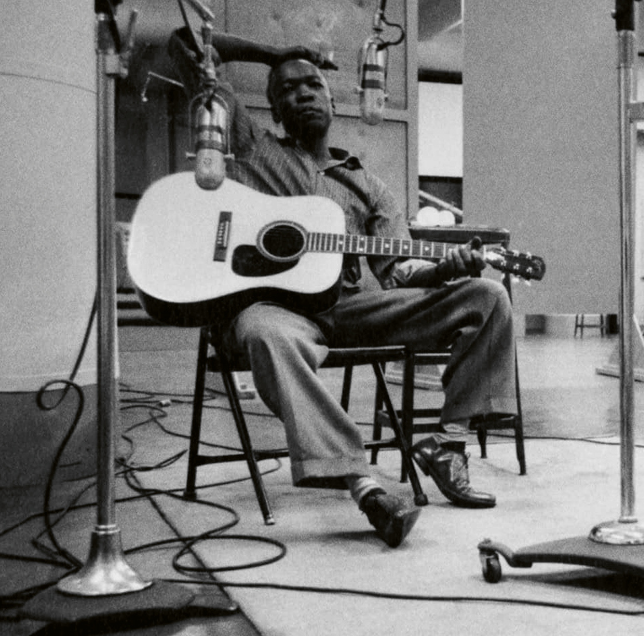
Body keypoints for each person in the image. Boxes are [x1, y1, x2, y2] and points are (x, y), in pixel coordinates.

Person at [168, 27, 517, 548]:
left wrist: (447, 269)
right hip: (275, 310)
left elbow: (399, 273)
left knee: (487, 296)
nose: (302, 93)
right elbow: (187, 44)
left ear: (333, 101)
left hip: (351, 310)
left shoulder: (368, 185)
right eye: (286, 90)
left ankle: (448, 446)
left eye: (312, 84)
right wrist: (276, 54)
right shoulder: (251, 147)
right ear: (274, 112)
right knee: (266, 333)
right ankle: (365, 485)